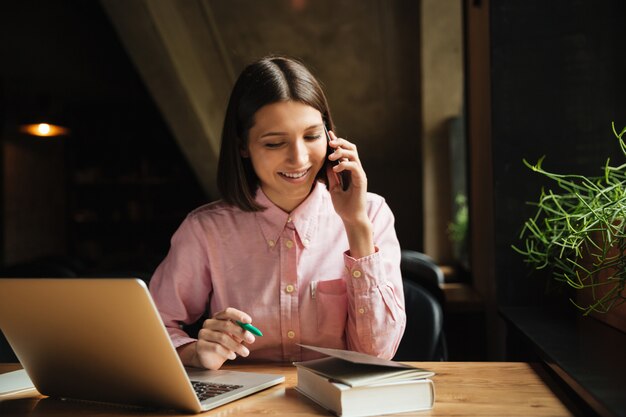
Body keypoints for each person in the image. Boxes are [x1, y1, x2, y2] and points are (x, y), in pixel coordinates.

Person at [149, 56, 405, 370]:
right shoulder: (205, 230)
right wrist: (196, 353)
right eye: (274, 143)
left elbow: (376, 355)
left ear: (330, 136)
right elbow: (153, 329)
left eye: (311, 137)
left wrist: (356, 226)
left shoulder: (371, 214)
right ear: (243, 146)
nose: (298, 159)